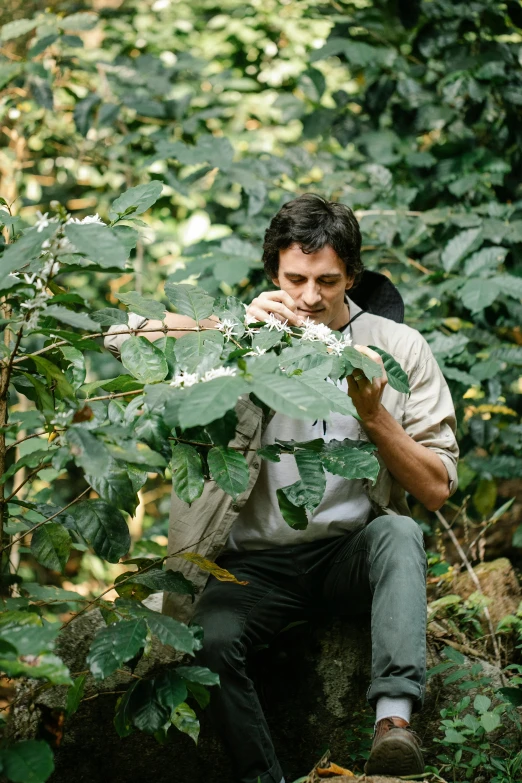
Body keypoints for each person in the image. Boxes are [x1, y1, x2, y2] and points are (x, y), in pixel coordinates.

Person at [105, 193, 459, 782]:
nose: (310, 297)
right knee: (210, 639)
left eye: (328, 281)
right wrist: (231, 330)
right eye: (296, 279)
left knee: (398, 532)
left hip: (347, 553)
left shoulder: (397, 347)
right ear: (274, 271)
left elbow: (436, 488)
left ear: (352, 276)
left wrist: (375, 416)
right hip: (252, 566)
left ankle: (394, 727)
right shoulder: (242, 333)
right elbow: (119, 338)